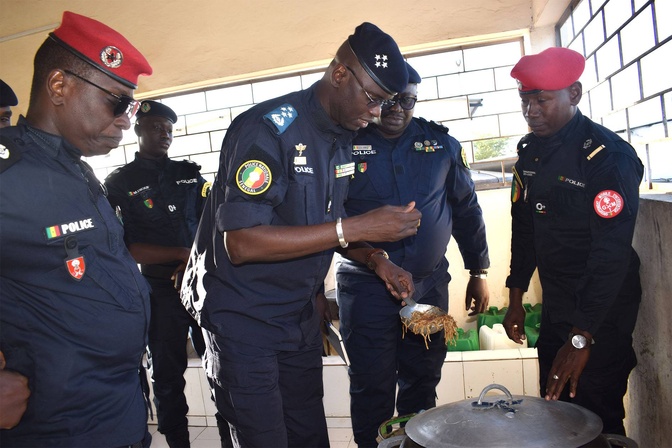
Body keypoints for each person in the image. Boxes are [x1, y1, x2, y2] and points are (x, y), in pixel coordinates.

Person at [180, 22, 422, 447]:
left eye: (384, 104)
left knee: (309, 435)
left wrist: (376, 259)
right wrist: (355, 228)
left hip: (296, 318)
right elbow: (241, 242)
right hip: (243, 321)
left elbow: (329, 216)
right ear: (339, 73)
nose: (375, 113)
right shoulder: (268, 130)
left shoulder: (344, 136)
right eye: (372, 99)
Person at [0, 11, 153, 447]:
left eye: (132, 105)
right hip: (56, 431)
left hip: (116, 413)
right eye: (118, 102)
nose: (127, 119)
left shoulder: (76, 171)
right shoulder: (7, 174)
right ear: (59, 87)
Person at [334, 63, 491, 447]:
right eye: (388, 98)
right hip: (366, 288)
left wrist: (478, 269)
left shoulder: (441, 145)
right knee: (372, 382)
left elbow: (466, 208)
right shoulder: (343, 143)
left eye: (407, 100)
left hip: (428, 287)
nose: (397, 108)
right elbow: (327, 220)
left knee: (423, 376)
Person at [502, 47, 643, 436]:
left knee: (597, 417)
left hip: (603, 312)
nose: (530, 111)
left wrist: (581, 337)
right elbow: (524, 229)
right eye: (524, 100)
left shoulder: (606, 158)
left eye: (541, 100)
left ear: (574, 94)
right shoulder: (530, 154)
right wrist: (516, 298)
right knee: (557, 411)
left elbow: (610, 253)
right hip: (557, 305)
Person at [105, 100, 216, 448]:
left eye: (169, 129)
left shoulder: (188, 173)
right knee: (167, 377)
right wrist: (183, 254)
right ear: (138, 129)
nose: (164, 134)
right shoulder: (120, 183)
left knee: (223, 366)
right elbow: (124, 247)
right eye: (156, 127)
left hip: (202, 284)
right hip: (159, 289)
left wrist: (192, 259)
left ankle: (233, 437)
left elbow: (212, 224)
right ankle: (178, 442)